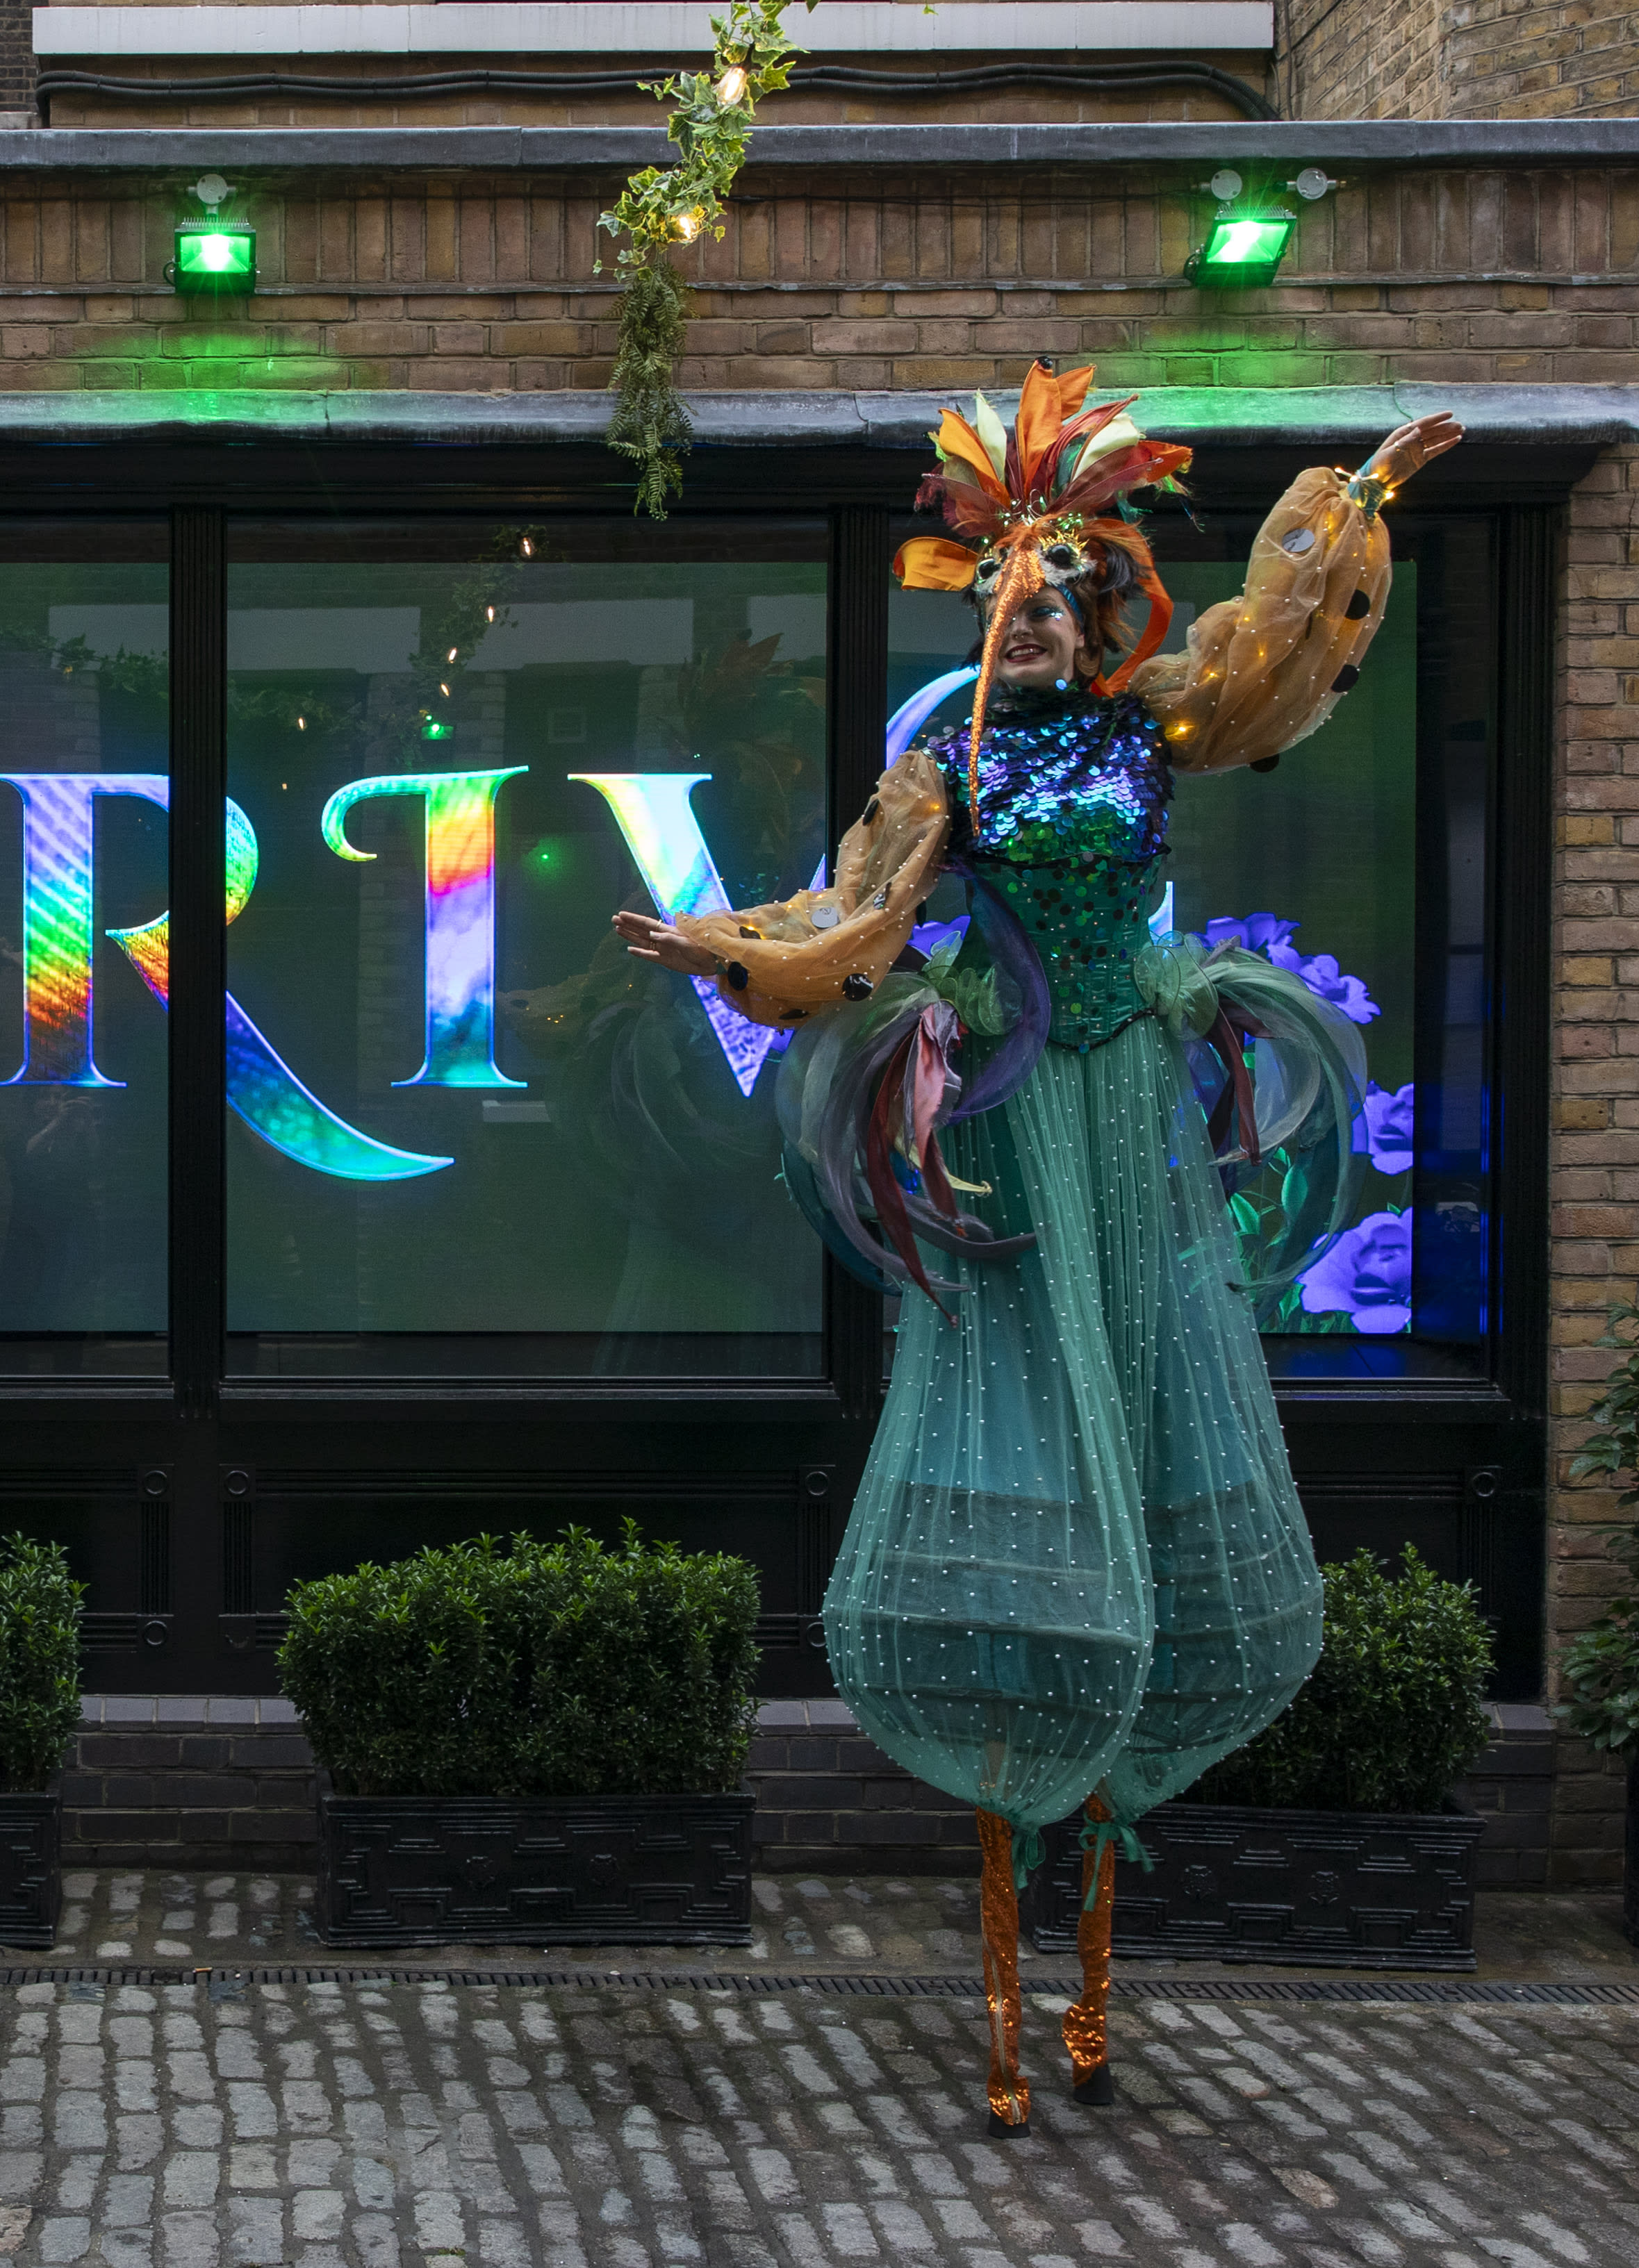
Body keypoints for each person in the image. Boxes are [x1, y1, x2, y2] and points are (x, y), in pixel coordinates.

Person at [615, 364, 1459, 2135]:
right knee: (1033, 1429)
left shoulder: (1151, 721)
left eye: (1051, 598)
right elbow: (855, 914)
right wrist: (719, 947)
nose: (1028, 624)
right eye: (1003, 601)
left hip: (1129, 1103)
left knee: (1138, 1425)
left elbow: (1270, 658)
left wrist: (1352, 504)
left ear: (1091, 612)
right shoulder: (943, 767)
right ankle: (1013, 1974)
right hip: (1007, 1117)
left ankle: (1087, 1981)